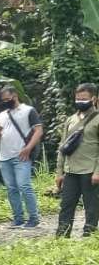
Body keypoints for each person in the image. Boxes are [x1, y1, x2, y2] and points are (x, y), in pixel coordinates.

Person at [0, 85, 43, 229]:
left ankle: (33, 218)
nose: (6, 101)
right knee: (11, 188)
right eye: (3, 100)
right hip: (4, 156)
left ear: (15, 95)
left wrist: (28, 148)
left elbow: (38, 131)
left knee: (24, 186)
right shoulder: (2, 115)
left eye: (8, 98)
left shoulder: (28, 110)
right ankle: (18, 218)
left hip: (21, 155)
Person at [54, 83, 99, 238]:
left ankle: (89, 235)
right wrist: (59, 172)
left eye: (84, 98)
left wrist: (97, 172)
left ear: (94, 99)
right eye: (78, 98)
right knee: (66, 205)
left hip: (90, 171)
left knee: (91, 206)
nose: (80, 101)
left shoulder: (98, 119)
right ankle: (62, 235)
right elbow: (63, 147)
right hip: (70, 171)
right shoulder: (70, 120)